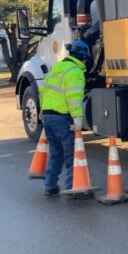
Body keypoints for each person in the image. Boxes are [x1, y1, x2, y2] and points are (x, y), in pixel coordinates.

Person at [39, 40, 90, 196]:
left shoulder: (57, 68)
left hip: (48, 116)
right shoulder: (75, 72)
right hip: (62, 117)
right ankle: (73, 188)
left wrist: (43, 113)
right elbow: (73, 97)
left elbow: (44, 92)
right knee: (72, 154)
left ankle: (50, 186)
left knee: (56, 152)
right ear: (83, 57)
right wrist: (78, 118)